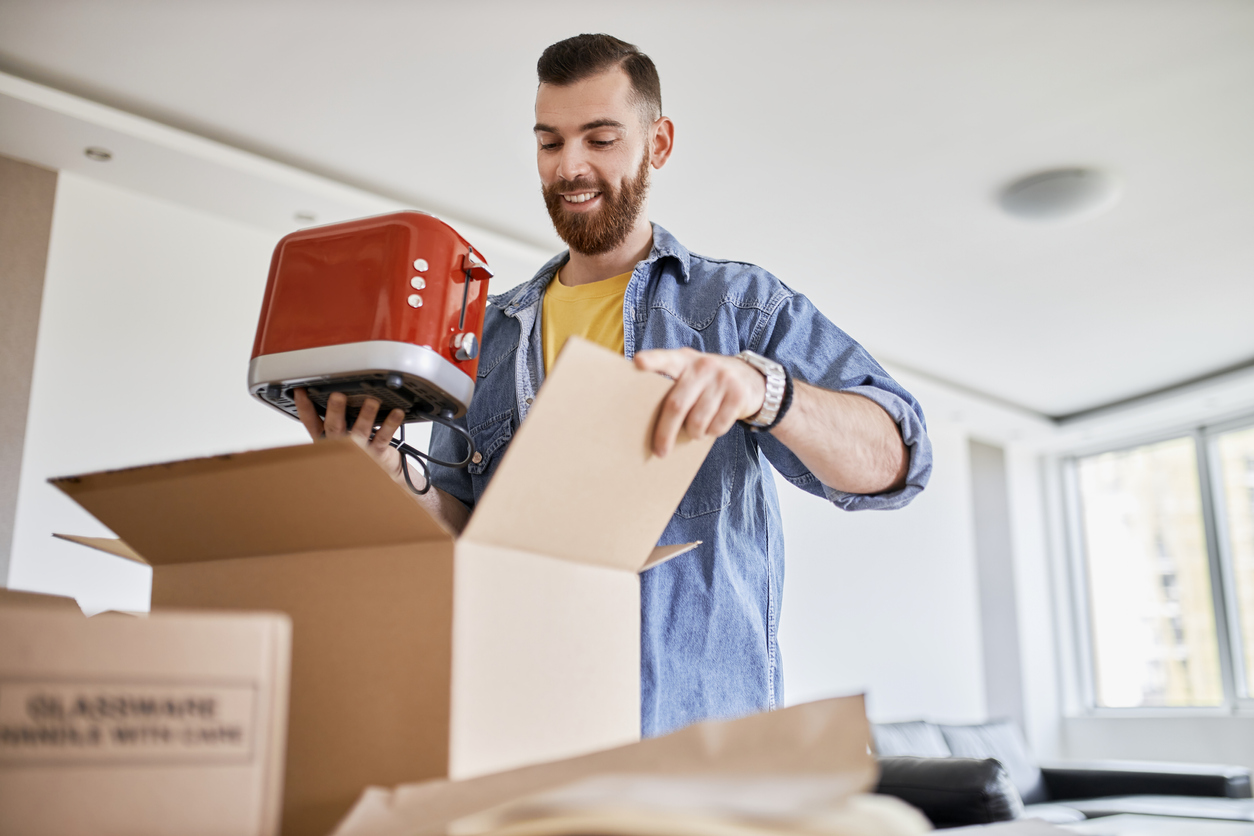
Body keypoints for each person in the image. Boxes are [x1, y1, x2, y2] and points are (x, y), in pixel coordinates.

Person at [296, 33, 932, 737]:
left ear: (657, 143)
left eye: (600, 138)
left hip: (695, 743)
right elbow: (465, 539)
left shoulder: (735, 306)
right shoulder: (483, 338)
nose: (570, 167)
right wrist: (386, 473)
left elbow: (897, 459)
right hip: (523, 729)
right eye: (550, 142)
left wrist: (764, 390)